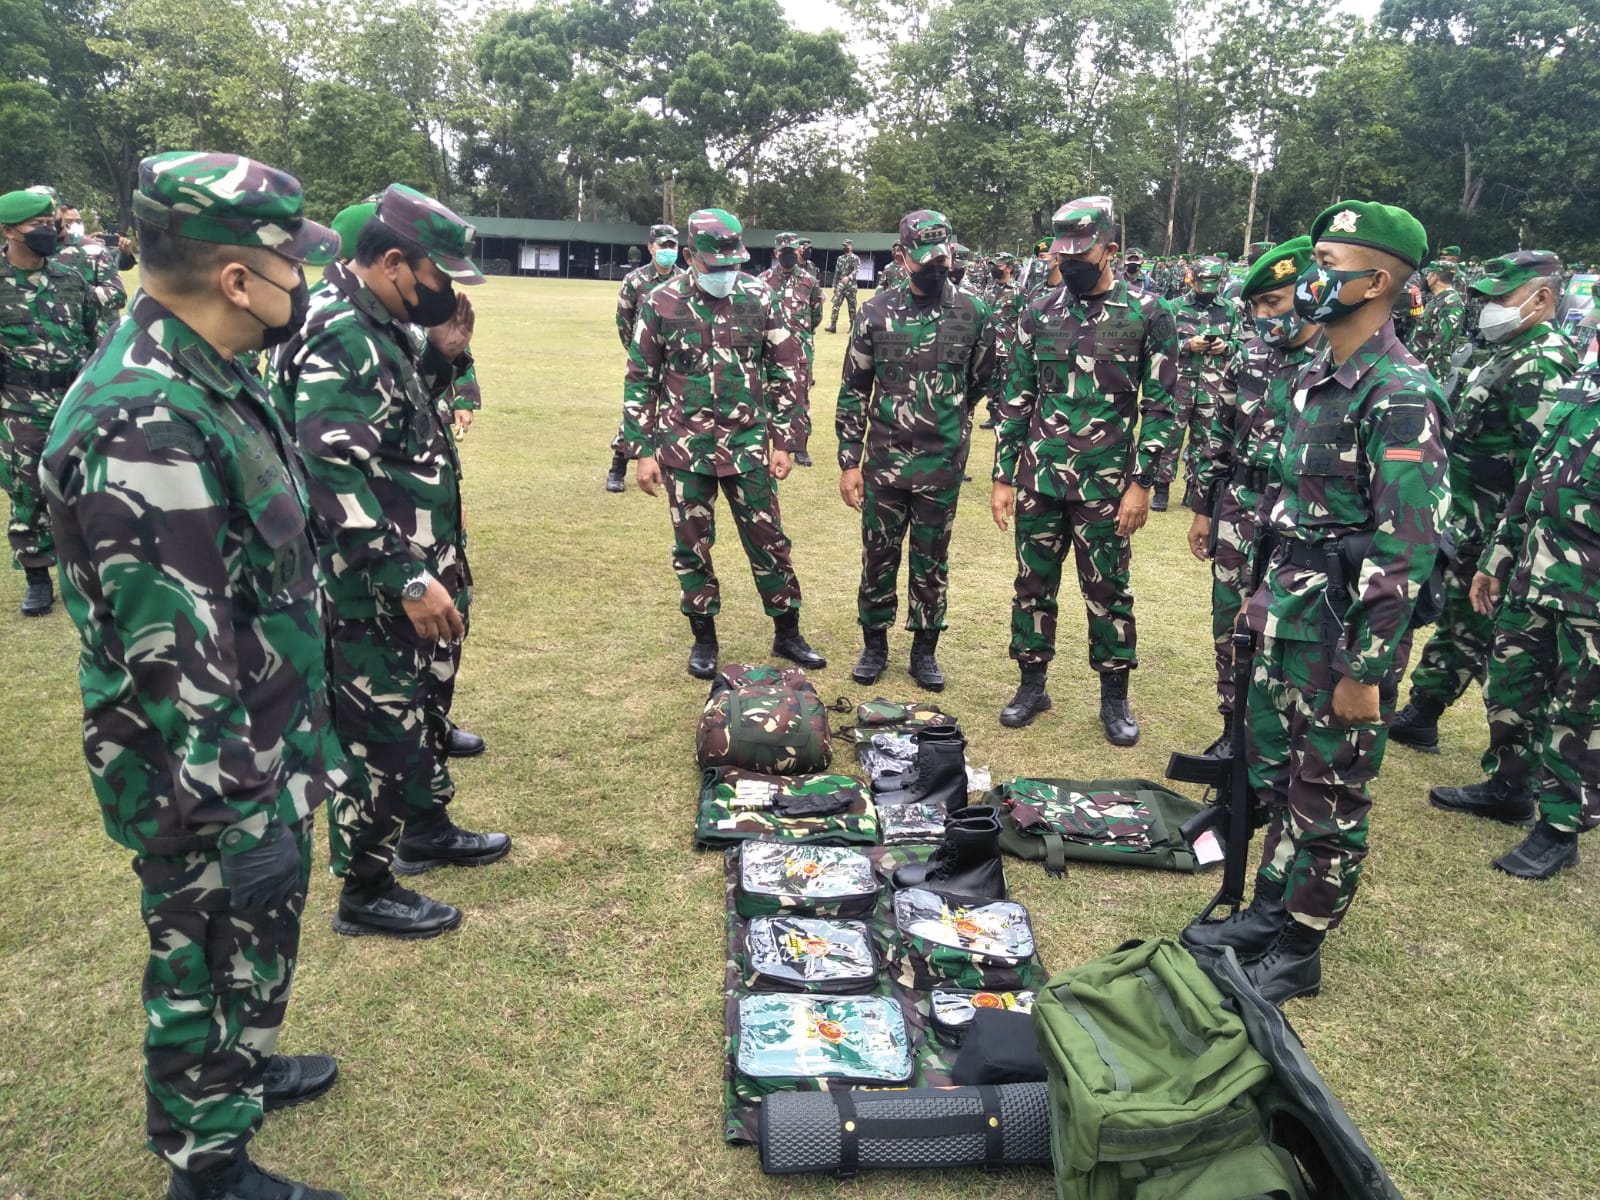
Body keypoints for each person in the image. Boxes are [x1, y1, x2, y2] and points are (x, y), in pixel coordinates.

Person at [41, 150, 346, 1200]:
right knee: (201, 947)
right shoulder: (147, 418)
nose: (302, 282)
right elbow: (179, 650)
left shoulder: (213, 376)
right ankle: (206, 1160)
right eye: (291, 264)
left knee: (246, 940)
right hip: (206, 768)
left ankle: (238, 1069)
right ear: (235, 278)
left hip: (264, 729)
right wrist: (244, 806)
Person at [1186, 201, 1450, 1006]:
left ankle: (1301, 945)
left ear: (1376, 281)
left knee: (1331, 785)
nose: (1309, 276)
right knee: (1285, 771)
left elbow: (1405, 547)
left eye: (1328, 261)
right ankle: (1270, 910)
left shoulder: (1399, 392)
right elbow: (1290, 511)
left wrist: (1368, 670)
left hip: (1344, 632)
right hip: (1287, 613)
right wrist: (1258, 597)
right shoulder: (1314, 380)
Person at [274, 183, 510, 941]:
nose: (445, 296)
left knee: (423, 705)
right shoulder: (341, 328)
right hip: (370, 580)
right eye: (439, 280)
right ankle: (366, 889)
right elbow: (329, 470)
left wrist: (443, 361)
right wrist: (402, 575)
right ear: (396, 263)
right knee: (382, 728)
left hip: (417, 561)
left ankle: (425, 827)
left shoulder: (382, 320)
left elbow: (400, 426)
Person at [992, 195, 1181, 746]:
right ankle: (1032, 684)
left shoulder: (1148, 312)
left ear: (1110, 250)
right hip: (1039, 479)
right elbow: (1016, 396)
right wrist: (1004, 476)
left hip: (1107, 484)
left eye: (1082, 251)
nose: (1070, 260)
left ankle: (1115, 697)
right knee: (1032, 585)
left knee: (1108, 590)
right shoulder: (1038, 311)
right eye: (1063, 251)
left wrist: (1143, 483)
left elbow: (1164, 406)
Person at [622, 207, 825, 678]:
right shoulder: (661, 302)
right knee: (692, 546)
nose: (726, 275)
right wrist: (643, 450)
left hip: (748, 444)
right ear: (691, 256)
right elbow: (640, 378)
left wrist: (785, 440)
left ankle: (788, 631)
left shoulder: (760, 296)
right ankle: (704, 637)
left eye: (734, 264)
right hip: (683, 448)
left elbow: (785, 370)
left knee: (769, 540)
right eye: (717, 267)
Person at [1390, 252, 1575, 759]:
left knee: (1497, 638)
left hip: (1499, 528)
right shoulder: (1507, 350)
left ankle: (1512, 761)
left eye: (1501, 298)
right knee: (1459, 619)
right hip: (1470, 521)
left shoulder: (1545, 361)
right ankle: (1424, 712)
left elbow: (1540, 467)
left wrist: (1506, 544)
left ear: (1541, 298)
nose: (1489, 308)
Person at [837, 209, 997, 691]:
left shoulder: (973, 311)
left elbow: (981, 380)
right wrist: (850, 461)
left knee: (932, 560)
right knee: (878, 556)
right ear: (902, 256)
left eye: (941, 259)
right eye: (923, 260)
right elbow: (853, 389)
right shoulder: (874, 312)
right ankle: (874, 645)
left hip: (942, 464)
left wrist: (948, 418)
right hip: (884, 462)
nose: (934, 268)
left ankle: (924, 650)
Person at [1454, 351, 1600, 877]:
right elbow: (1536, 478)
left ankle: (1560, 827)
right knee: (1510, 682)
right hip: (1535, 572)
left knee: (1580, 710)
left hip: (1591, 591)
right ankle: (1509, 785)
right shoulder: (1587, 381)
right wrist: (1497, 557)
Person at [1185, 236, 1321, 758]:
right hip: (1238, 509)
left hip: (1298, 514)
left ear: (1310, 293)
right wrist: (1202, 509)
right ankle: (1232, 726)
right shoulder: (1249, 355)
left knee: (1286, 626)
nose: (1263, 316)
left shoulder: (1334, 360)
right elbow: (1217, 435)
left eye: (1274, 303)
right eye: (1256, 306)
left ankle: (1284, 737)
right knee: (1230, 622)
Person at [0, 187, 101, 616]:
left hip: (75, 402)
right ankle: (38, 576)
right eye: (38, 226)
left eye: (52, 224)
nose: (50, 232)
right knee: (28, 493)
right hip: (20, 406)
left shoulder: (71, 280)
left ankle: (94, 571)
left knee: (90, 488)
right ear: (8, 231)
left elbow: (94, 340)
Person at [1161, 257, 1244, 512]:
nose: (1206, 289)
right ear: (1192, 280)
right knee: (1170, 436)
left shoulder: (1229, 309)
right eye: (1202, 283)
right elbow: (1161, 345)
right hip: (1180, 384)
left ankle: (1193, 488)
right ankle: (1161, 487)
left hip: (1212, 386)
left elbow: (1242, 345)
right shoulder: (1173, 307)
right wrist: (1187, 345)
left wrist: (1225, 346)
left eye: (1213, 283)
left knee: (1205, 439)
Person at [608, 224, 684, 491]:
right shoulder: (635, 280)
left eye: (672, 245)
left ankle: (665, 465)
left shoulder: (685, 280)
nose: (668, 250)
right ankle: (618, 466)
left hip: (676, 359)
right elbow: (623, 320)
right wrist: (637, 353)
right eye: (663, 245)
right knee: (638, 410)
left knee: (672, 413)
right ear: (651, 247)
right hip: (645, 357)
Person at [759, 231, 824, 467]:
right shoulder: (763, 281)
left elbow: (816, 314)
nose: (788, 256)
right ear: (776, 253)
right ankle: (771, 444)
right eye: (783, 252)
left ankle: (800, 446)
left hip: (800, 351)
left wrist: (801, 336)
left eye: (792, 252)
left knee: (800, 397)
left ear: (799, 251)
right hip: (769, 353)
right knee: (768, 397)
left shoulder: (810, 281)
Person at [980, 252, 1022, 430]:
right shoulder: (988, 290)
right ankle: (993, 415)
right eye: (993, 265)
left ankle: (1007, 416)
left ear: (1009, 268)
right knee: (992, 383)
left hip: (1009, 345)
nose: (994, 269)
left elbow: (1023, 319)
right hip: (991, 346)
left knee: (1009, 383)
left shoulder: (1018, 291)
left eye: (998, 265)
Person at [1411, 260, 1467, 387]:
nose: (1425, 278)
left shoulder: (1452, 303)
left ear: (1434, 276)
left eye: (1428, 274)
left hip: (1432, 369)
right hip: (1419, 362)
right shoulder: (1437, 299)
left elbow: (1442, 341)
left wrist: (1425, 367)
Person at [826, 238, 861, 332]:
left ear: (851, 246)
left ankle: (852, 326)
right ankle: (833, 326)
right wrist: (834, 284)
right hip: (840, 285)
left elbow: (856, 270)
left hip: (851, 285)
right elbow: (837, 272)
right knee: (835, 304)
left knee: (852, 306)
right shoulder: (840, 258)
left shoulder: (855, 258)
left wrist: (849, 277)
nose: (845, 247)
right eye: (844, 245)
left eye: (847, 245)